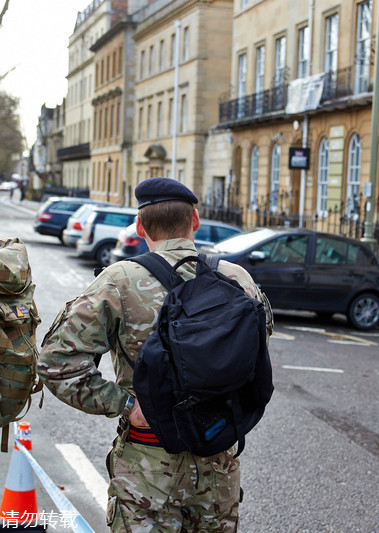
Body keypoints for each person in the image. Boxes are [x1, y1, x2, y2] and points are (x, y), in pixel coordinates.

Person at [37, 177, 273, 532]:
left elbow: (56, 363)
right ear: (195, 221)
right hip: (219, 457)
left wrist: (126, 405)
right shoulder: (236, 278)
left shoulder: (119, 280)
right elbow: (258, 353)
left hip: (148, 461)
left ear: (139, 225)